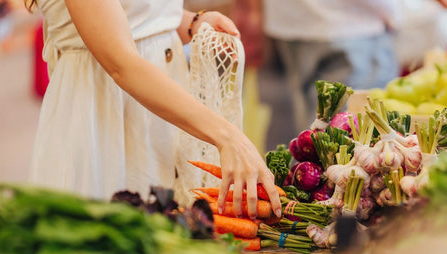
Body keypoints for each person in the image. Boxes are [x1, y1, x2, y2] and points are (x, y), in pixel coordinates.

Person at [24, 0, 282, 220]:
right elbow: (121, 63)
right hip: (105, 117)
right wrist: (228, 136)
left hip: (159, 114)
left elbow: (135, 12)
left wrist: (191, 22)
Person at [262, 0, 447, 133]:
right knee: (354, 145)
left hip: (293, 19)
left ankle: (325, 216)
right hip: (355, 25)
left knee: (318, 135)